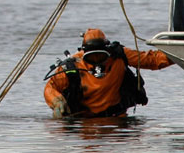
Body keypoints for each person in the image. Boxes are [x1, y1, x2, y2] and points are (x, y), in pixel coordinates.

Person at [44, 29, 173, 119]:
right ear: (83, 54)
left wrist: (181, 53)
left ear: (108, 51)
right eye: (91, 58)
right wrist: (56, 101)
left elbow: (152, 60)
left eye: (100, 56)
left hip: (117, 119)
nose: (96, 62)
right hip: (83, 122)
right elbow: (51, 87)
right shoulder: (73, 66)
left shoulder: (119, 55)